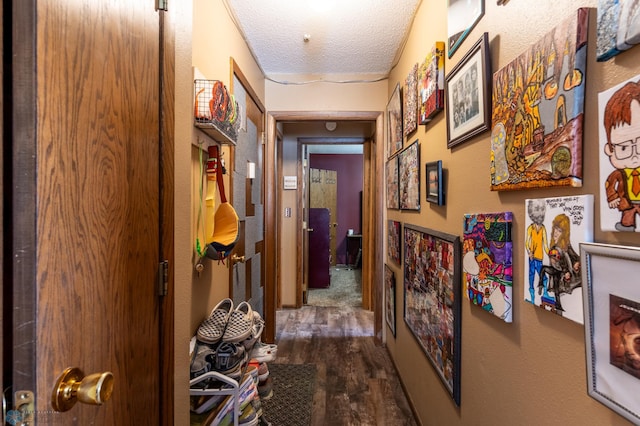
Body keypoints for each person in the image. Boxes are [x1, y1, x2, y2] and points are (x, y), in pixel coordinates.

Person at [603, 80, 640, 232]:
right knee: (627, 216)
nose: (635, 157)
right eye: (624, 148)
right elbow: (609, 184)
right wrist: (612, 197)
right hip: (627, 202)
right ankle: (627, 225)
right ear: (610, 150)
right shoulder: (619, 173)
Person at [540, 214, 580, 312]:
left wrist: (577, 262)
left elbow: (575, 256)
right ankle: (542, 286)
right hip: (558, 274)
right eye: (555, 229)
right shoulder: (553, 246)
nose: (556, 232)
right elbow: (556, 263)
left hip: (567, 277)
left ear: (564, 233)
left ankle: (558, 305)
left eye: (560, 230)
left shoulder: (566, 245)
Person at [525, 199, 548, 303]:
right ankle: (532, 298)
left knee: (543, 276)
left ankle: (546, 293)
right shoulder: (530, 228)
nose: (540, 214)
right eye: (538, 210)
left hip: (539, 257)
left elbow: (546, 245)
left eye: (542, 210)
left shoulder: (543, 229)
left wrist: (550, 254)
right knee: (531, 277)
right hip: (532, 257)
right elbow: (527, 242)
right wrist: (529, 252)